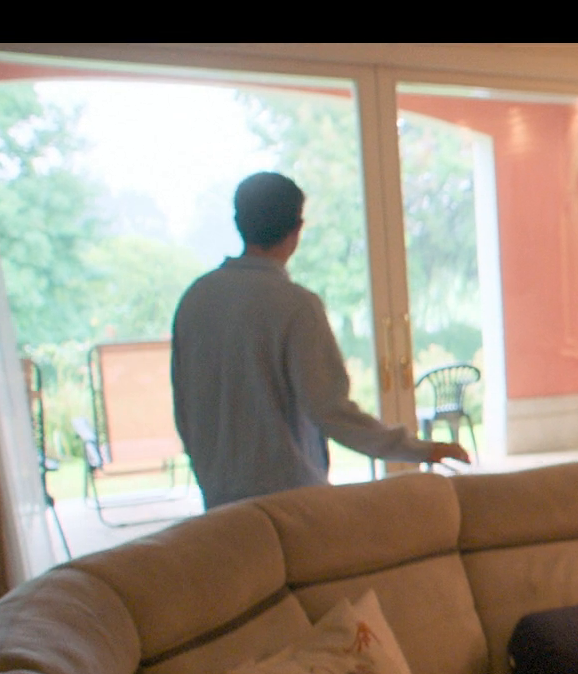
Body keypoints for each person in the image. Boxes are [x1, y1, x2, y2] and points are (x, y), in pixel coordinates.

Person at [171, 172, 468, 509]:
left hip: (219, 503)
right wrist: (420, 450)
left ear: (239, 223)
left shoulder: (195, 299)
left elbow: (184, 410)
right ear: (296, 229)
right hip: (291, 502)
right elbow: (331, 411)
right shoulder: (296, 305)